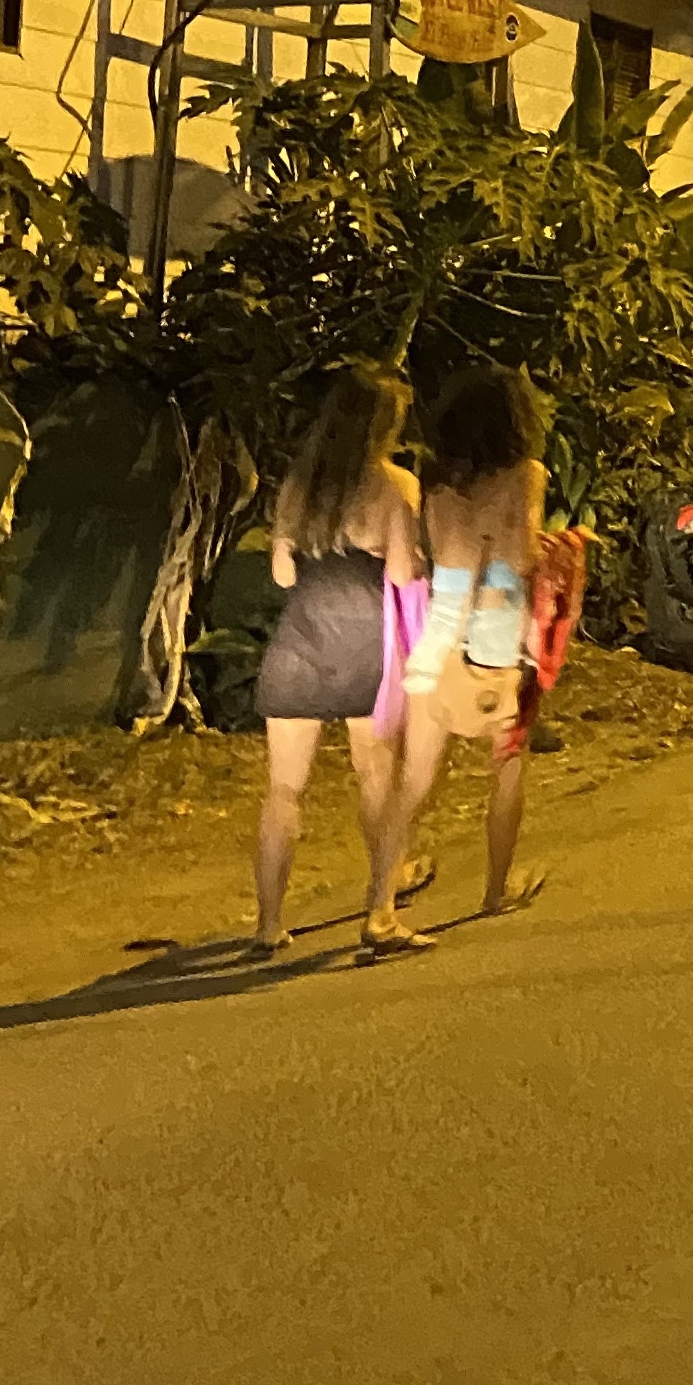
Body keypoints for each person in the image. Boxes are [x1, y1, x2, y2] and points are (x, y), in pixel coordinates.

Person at [249, 362, 428, 961]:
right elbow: (400, 573)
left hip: (300, 642)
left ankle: (268, 924)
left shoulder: (298, 486)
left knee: (283, 790)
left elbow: (282, 574)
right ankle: (380, 913)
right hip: (365, 646)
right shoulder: (395, 485)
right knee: (378, 780)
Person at [388, 364, 570, 916]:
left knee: (417, 775)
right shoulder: (526, 475)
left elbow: (435, 557)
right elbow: (519, 556)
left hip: (440, 626)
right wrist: (556, 551)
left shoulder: (437, 483)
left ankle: (383, 893)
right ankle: (496, 890)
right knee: (507, 764)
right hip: (499, 632)